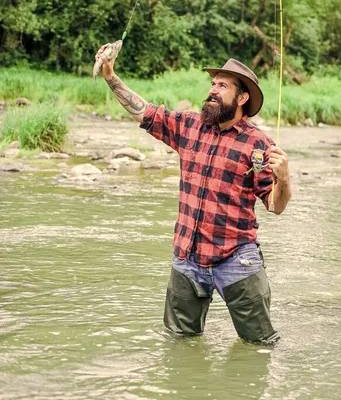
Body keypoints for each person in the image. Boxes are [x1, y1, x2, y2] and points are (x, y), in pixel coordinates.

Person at [95, 47, 291, 344]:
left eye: (222, 86)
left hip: (237, 259)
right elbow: (145, 112)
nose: (212, 91)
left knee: (259, 346)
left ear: (242, 98)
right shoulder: (189, 125)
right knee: (179, 344)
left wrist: (284, 179)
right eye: (213, 84)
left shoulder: (259, 145)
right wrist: (110, 77)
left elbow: (275, 206)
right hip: (187, 256)